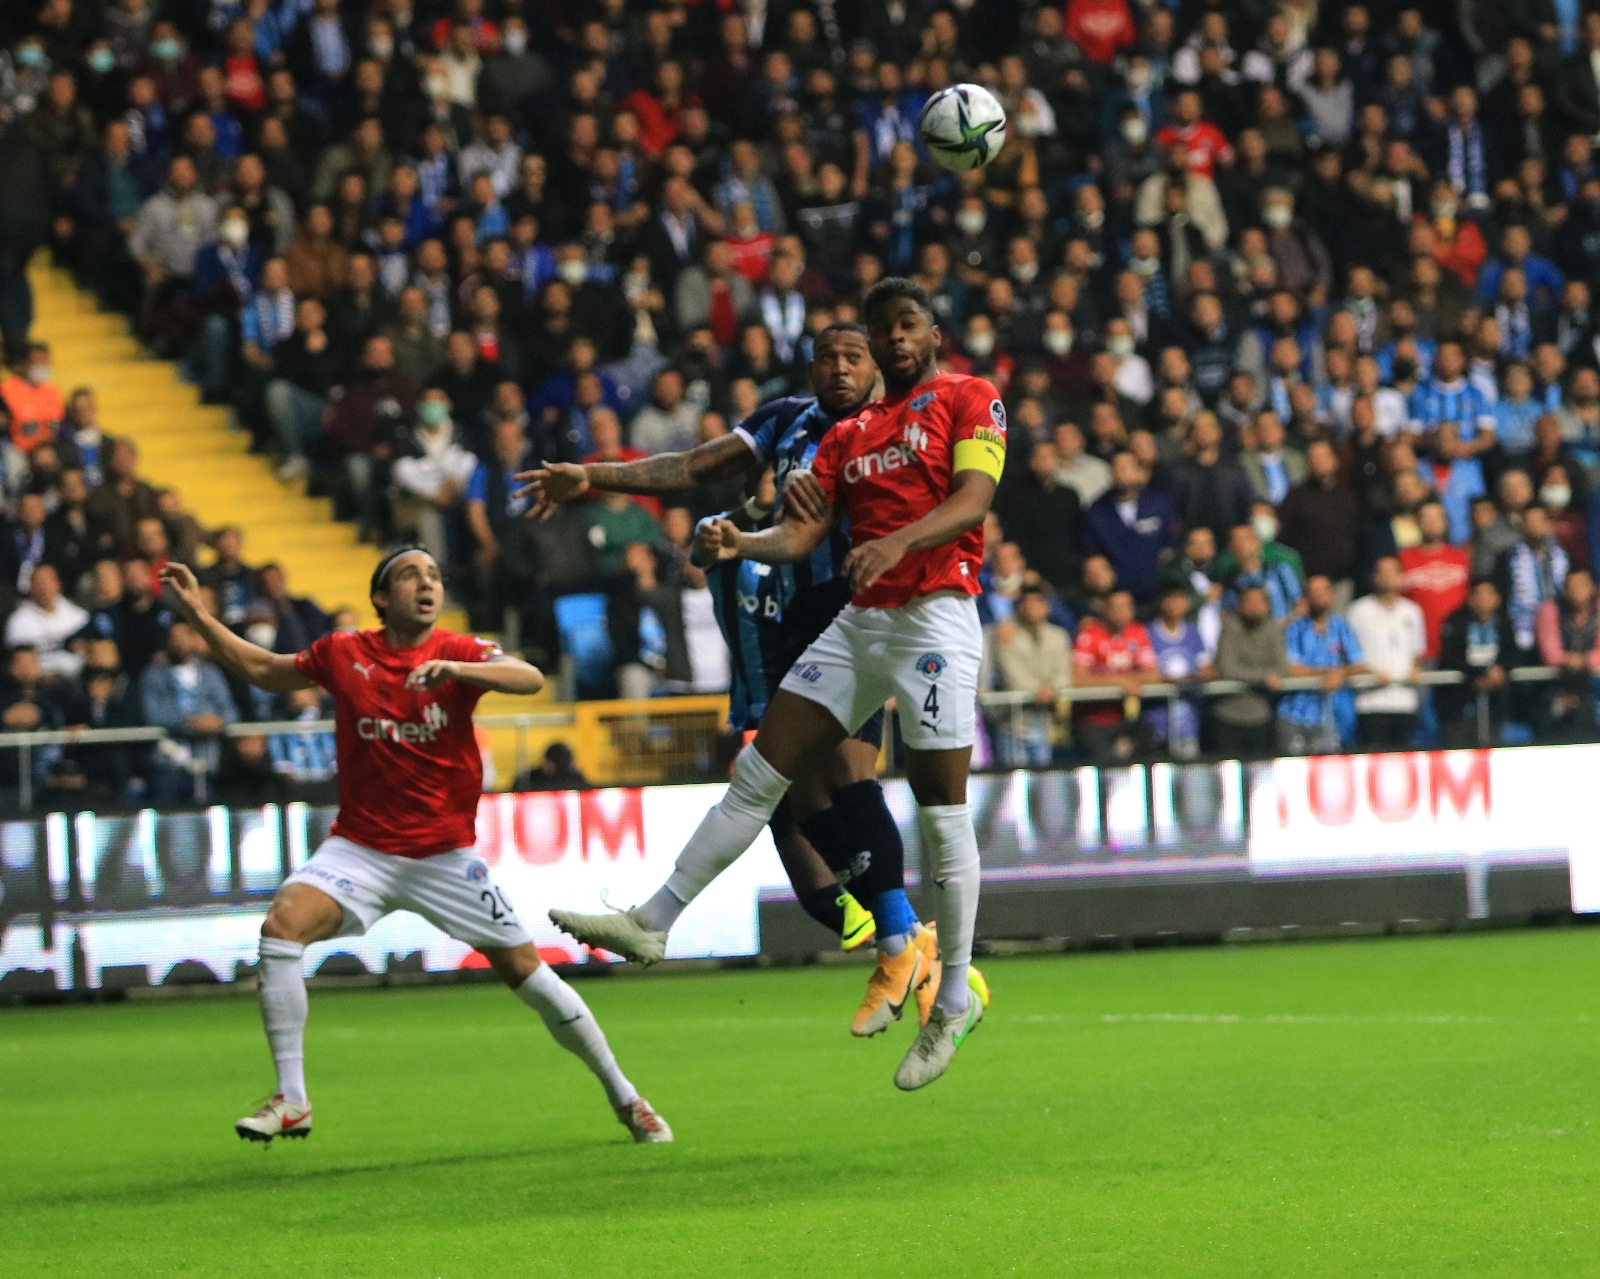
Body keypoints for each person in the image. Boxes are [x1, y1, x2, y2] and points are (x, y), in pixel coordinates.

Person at [544, 278, 999, 1090]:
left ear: (932, 335)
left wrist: (896, 545)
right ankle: (653, 920)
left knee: (942, 813)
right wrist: (738, 541)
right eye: (878, 328)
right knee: (764, 772)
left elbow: (972, 500)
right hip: (862, 620)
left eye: (906, 327)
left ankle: (954, 994)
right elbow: (799, 535)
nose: (893, 340)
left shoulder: (971, 399)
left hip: (936, 618)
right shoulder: (845, 436)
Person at [158, 551, 670, 1146]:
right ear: (382, 597)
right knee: (281, 928)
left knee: (531, 977)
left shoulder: (460, 650)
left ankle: (627, 1098)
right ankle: (292, 1100)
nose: (427, 584)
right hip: (361, 850)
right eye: (411, 575)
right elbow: (265, 669)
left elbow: (529, 678)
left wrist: (460, 673)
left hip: (445, 858)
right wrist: (198, 614)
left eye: (433, 575)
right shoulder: (345, 652)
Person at [1278, 575, 1365, 754]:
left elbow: (1358, 663)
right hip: (1296, 713)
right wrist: (1329, 674)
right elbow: (1292, 668)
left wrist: (1340, 673)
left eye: (1325, 590)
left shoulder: (1342, 626)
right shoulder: (1294, 629)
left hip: (1332, 716)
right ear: (1306, 597)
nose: (1321, 596)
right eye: (1315, 592)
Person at [1346, 557, 1427, 748]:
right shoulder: (1358, 611)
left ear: (1401, 576)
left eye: (1393, 572)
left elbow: (1417, 651)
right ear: (1374, 577)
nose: (1388, 578)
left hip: (1404, 702)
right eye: (1383, 573)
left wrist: (1415, 670)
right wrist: (1368, 674)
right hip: (1371, 703)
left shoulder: (1412, 612)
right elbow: (1347, 655)